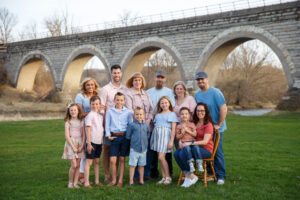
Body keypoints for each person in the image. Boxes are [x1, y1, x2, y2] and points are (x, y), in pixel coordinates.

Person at [194, 71, 227, 185]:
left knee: (217, 152)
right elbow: (198, 111)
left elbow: (223, 109)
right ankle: (209, 173)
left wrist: (219, 124)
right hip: (204, 128)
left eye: (202, 79)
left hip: (216, 129)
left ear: (207, 79)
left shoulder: (215, 92)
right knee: (206, 150)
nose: (200, 81)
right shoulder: (197, 94)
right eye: (198, 80)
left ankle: (221, 175)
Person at [99, 64, 128, 183]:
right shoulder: (105, 89)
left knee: (119, 154)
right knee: (106, 150)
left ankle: (115, 176)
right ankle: (107, 175)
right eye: (114, 73)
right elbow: (101, 108)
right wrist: (106, 128)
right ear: (111, 74)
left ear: (121, 74)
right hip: (109, 126)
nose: (117, 75)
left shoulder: (125, 89)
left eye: (118, 73)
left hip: (121, 128)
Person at [174, 102, 214, 188]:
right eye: (198, 110)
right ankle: (189, 176)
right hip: (193, 147)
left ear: (206, 112)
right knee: (176, 153)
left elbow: (205, 142)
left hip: (205, 150)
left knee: (182, 153)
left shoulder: (208, 125)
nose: (200, 112)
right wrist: (181, 141)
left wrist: (190, 143)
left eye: (202, 110)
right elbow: (184, 135)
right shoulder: (194, 123)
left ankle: (190, 176)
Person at [147, 70, 175, 179]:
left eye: (162, 77)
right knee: (155, 153)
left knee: (166, 155)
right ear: (155, 78)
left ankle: (169, 174)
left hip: (166, 128)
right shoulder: (149, 92)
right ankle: (154, 174)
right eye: (158, 77)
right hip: (155, 124)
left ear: (165, 79)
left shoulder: (169, 92)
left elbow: (171, 106)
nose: (160, 79)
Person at [125, 72, 154, 179]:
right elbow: (129, 110)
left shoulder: (146, 94)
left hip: (147, 125)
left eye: (140, 80)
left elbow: (151, 109)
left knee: (147, 150)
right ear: (132, 82)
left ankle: (145, 173)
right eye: (135, 80)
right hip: (136, 126)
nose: (138, 82)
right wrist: (140, 120)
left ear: (142, 82)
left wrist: (148, 120)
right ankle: (136, 175)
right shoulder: (129, 93)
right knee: (136, 149)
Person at [75, 78, 101, 184]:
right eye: (88, 85)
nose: (90, 87)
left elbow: (99, 108)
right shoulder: (80, 96)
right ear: (84, 86)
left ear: (95, 85)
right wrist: (93, 112)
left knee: (89, 154)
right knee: (84, 151)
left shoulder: (96, 97)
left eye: (92, 85)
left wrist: (97, 112)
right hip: (83, 125)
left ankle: (85, 176)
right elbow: (79, 114)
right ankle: (81, 176)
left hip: (95, 127)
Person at [105, 92, 133, 187]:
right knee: (113, 160)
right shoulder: (110, 111)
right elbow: (107, 124)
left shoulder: (128, 112)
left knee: (122, 159)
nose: (119, 102)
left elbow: (130, 125)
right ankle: (113, 180)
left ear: (124, 101)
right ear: (114, 100)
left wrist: (128, 137)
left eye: (121, 100)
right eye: (117, 100)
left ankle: (120, 180)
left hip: (124, 137)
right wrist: (108, 135)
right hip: (114, 137)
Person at [150, 96, 178, 184]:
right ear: (159, 105)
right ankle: (163, 177)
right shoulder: (158, 115)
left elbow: (173, 129)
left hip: (166, 137)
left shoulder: (172, 114)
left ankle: (168, 177)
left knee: (161, 157)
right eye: (162, 103)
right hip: (157, 137)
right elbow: (155, 126)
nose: (164, 104)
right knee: (160, 158)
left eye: (166, 102)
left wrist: (171, 141)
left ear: (169, 103)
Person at [62, 103, 85, 188]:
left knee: (78, 165)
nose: (73, 111)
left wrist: (82, 145)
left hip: (79, 142)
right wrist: (73, 147)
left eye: (75, 110)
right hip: (71, 143)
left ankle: (76, 183)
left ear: (78, 111)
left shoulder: (81, 121)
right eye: (71, 110)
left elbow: (83, 135)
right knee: (74, 165)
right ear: (69, 111)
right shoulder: (68, 122)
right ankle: (70, 182)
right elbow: (67, 136)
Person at [126, 107, 151, 186]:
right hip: (134, 149)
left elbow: (148, 134)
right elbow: (128, 136)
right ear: (134, 115)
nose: (139, 116)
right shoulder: (132, 125)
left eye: (140, 114)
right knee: (133, 165)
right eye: (137, 114)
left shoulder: (146, 125)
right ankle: (131, 181)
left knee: (141, 165)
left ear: (144, 115)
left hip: (143, 149)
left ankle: (141, 181)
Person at [84, 96, 104, 188]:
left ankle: (97, 181)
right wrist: (88, 144)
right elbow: (88, 130)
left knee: (97, 162)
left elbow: (101, 130)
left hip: (99, 142)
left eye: (97, 104)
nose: (95, 106)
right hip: (91, 142)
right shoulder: (90, 115)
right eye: (93, 104)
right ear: (90, 105)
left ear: (100, 105)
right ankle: (86, 182)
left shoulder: (100, 116)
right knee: (89, 162)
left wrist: (102, 142)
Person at [175, 107, 201, 173]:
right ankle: (190, 163)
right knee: (186, 148)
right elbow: (177, 137)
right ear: (179, 116)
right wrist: (182, 133)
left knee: (196, 148)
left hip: (192, 142)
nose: (184, 115)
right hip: (184, 143)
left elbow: (195, 135)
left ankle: (199, 163)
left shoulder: (192, 124)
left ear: (189, 115)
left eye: (186, 114)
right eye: (182, 114)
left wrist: (187, 130)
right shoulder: (179, 126)